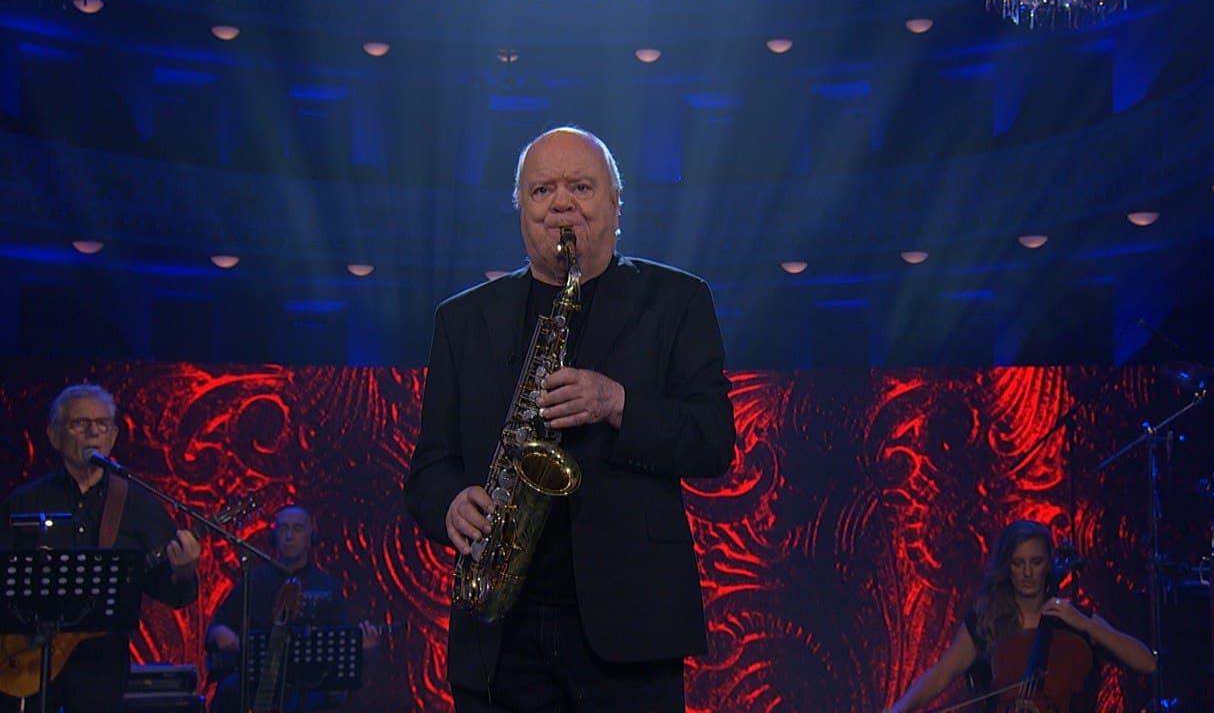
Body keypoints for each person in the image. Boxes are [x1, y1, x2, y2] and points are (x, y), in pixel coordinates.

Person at [404, 125, 736, 712]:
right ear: (521, 210)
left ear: (615, 203)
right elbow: (430, 466)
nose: (561, 203)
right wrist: (451, 503)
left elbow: (713, 440)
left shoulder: (677, 301)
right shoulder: (461, 320)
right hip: (499, 635)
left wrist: (619, 404)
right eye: (542, 190)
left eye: (581, 187)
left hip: (632, 633)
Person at [0, 383, 203, 713]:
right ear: (54, 435)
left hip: (100, 665)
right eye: (79, 423)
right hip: (27, 656)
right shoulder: (24, 501)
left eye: (102, 424)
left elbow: (171, 591)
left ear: (113, 436)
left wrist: (183, 571)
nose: (93, 432)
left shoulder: (138, 503)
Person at [884, 519, 1158, 713]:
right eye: (1018, 563)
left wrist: (1086, 625)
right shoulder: (986, 621)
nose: (1028, 573)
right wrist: (899, 709)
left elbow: (1146, 663)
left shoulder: (1072, 619)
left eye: (1036, 562)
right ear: (1007, 567)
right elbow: (942, 673)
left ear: (1048, 564)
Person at [206, 504, 382, 713]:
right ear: (274, 537)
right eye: (283, 529)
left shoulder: (326, 585)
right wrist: (220, 632)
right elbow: (218, 625)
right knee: (228, 690)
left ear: (310, 538)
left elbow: (341, 643)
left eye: (297, 529)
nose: (289, 536)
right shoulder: (255, 580)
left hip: (310, 682)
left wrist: (366, 650)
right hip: (258, 677)